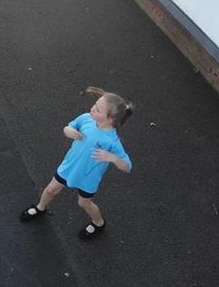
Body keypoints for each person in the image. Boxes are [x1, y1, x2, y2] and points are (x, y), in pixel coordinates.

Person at [19, 86, 134, 240]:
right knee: (51, 190)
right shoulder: (86, 118)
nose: (92, 109)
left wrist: (112, 157)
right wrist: (69, 131)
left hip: (88, 177)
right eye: (95, 105)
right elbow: (68, 127)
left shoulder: (112, 142)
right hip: (69, 166)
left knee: (84, 203)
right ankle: (40, 208)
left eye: (98, 110)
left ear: (111, 119)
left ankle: (99, 223)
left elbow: (127, 166)